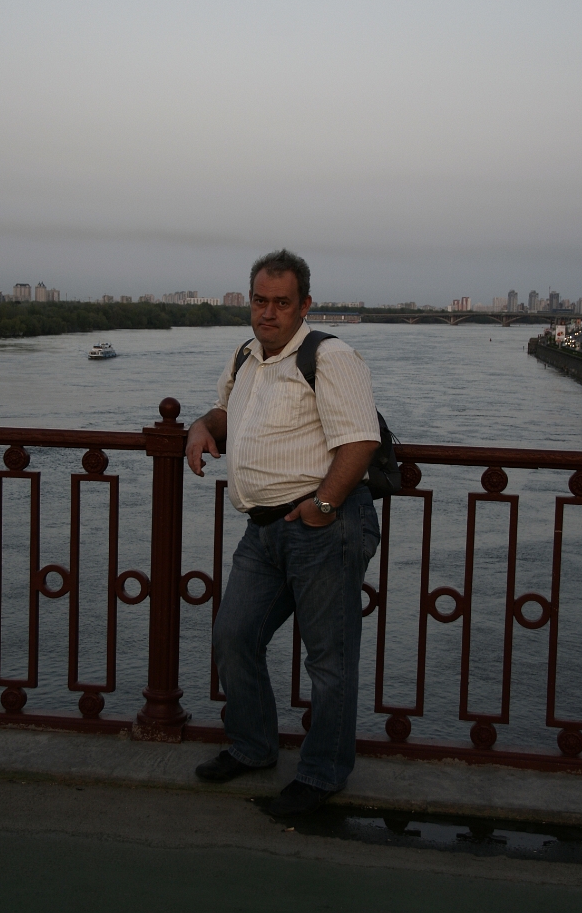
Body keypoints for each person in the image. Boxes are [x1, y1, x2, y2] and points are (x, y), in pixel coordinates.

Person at [186, 249, 381, 816]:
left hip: (323, 528)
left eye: (281, 302)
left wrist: (322, 505)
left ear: (304, 305)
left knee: (328, 661)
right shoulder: (246, 356)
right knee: (233, 635)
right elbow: (228, 414)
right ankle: (253, 747)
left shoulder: (330, 356)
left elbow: (360, 442)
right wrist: (201, 425)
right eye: (260, 300)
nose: (268, 312)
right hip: (264, 531)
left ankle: (322, 775)